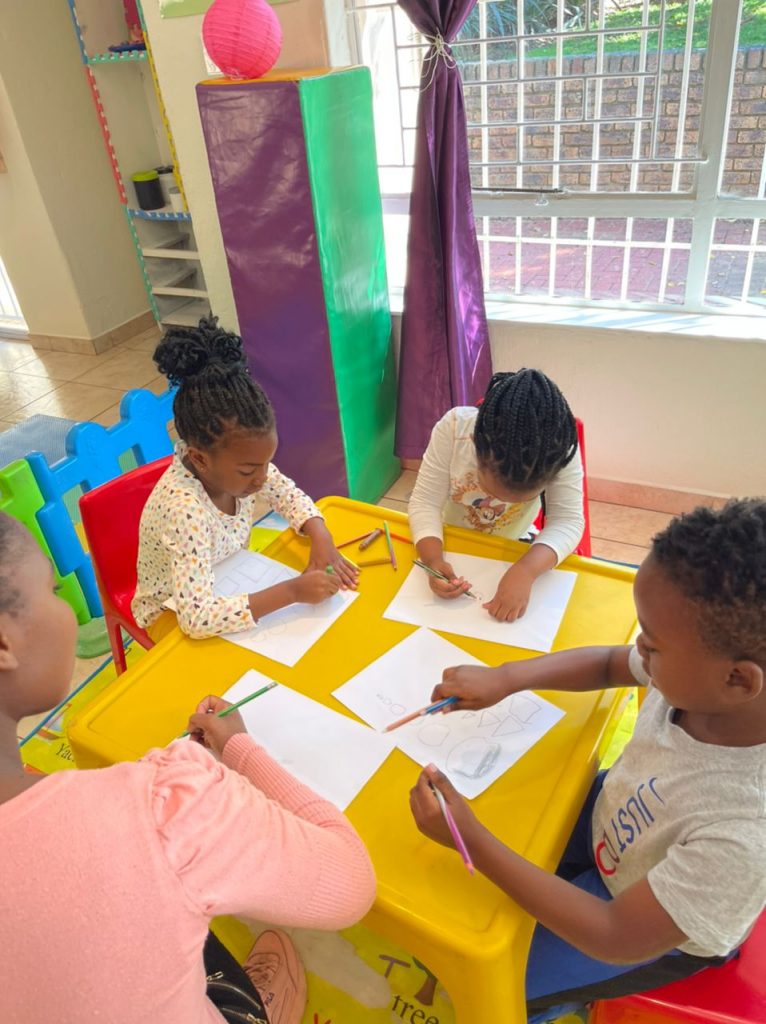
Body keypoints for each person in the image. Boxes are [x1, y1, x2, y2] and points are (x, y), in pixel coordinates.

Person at [0, 512, 376, 1023]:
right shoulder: (166, 810)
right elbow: (350, 883)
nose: (66, 607)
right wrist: (240, 748)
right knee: (193, 932)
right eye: (53, 589)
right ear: (4, 644)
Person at [410, 499, 766, 1021]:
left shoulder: (744, 830)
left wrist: (474, 842)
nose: (640, 647)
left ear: (739, 679)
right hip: (616, 819)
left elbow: (615, 933)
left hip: (644, 925)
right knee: (493, 840)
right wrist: (506, 677)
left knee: (498, 978)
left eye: (654, 644)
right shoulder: (701, 676)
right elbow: (604, 662)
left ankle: (562, 1001)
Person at [133, 317, 357, 640]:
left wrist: (319, 533)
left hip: (226, 575)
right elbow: (195, 619)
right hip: (170, 611)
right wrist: (292, 592)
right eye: (250, 470)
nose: (262, 478)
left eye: (267, 463)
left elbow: (286, 493)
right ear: (199, 458)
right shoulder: (185, 509)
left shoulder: (239, 465)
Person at [408, 369, 584, 622]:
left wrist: (526, 571)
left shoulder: (557, 452)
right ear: (476, 450)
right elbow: (425, 502)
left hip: (515, 544)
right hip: (448, 538)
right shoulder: (456, 429)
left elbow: (568, 521)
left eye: (521, 499)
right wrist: (433, 559)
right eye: (492, 491)